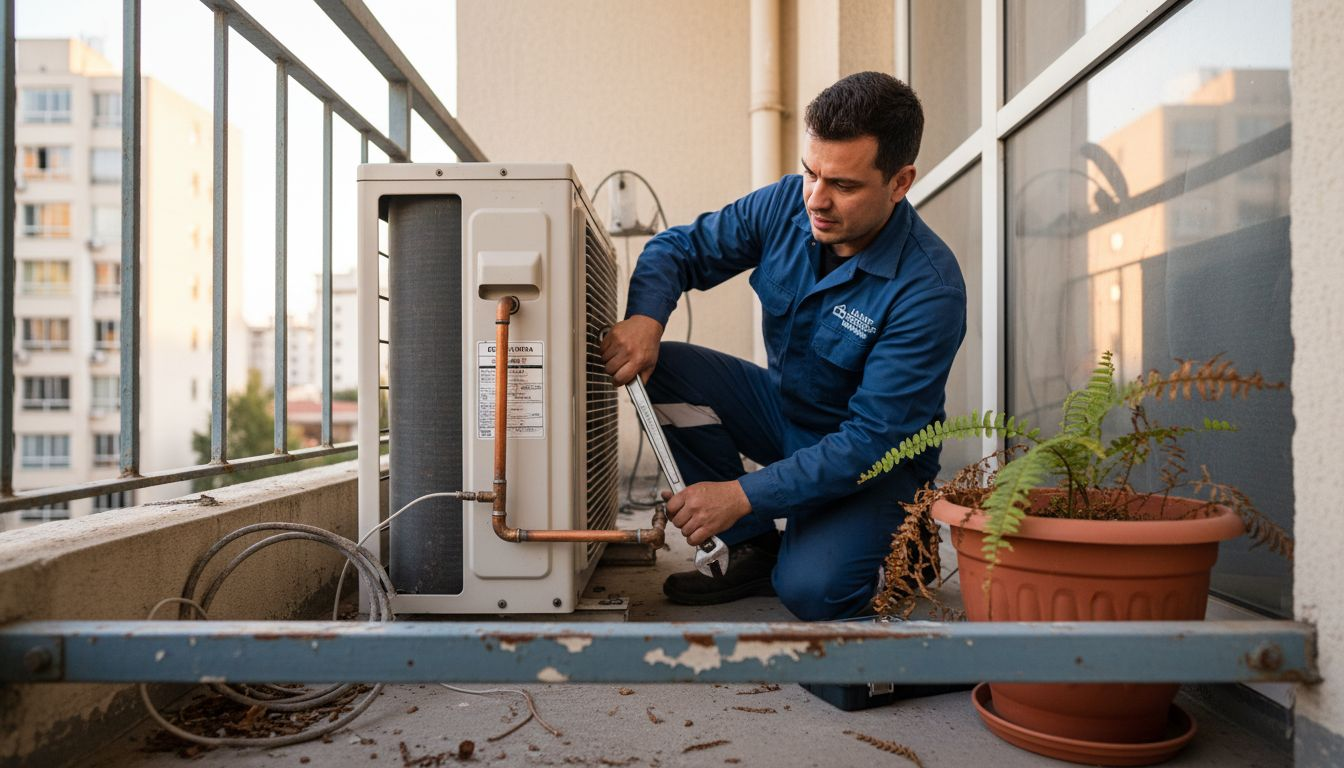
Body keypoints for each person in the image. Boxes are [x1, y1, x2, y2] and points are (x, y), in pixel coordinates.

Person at [600, 71, 966, 621]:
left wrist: (741, 494)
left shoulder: (928, 290)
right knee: (664, 369)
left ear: (899, 182)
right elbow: (677, 249)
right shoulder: (785, 206)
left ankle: (903, 542)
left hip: (875, 463)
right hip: (785, 414)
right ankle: (752, 547)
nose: (816, 199)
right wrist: (646, 318)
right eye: (810, 173)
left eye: (843, 185)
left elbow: (870, 441)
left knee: (813, 591)